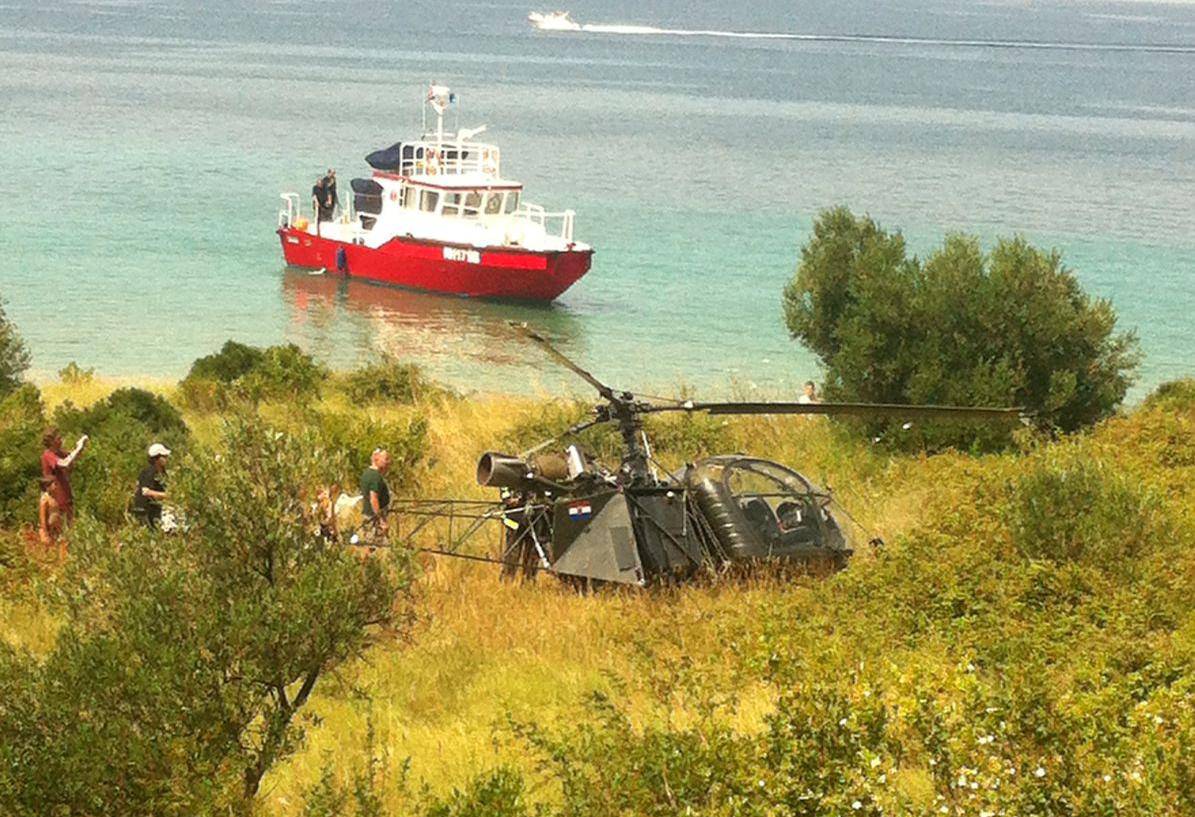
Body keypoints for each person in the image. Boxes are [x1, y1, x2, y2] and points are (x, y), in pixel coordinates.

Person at [41, 428, 87, 527]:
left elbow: (72, 457)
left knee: (69, 525)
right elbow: (64, 463)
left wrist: (80, 447)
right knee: (56, 525)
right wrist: (78, 448)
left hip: (65, 495)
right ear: (51, 441)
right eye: (58, 438)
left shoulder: (60, 453)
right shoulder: (48, 455)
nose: (61, 440)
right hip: (55, 498)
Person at [132, 443, 170, 528]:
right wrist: (166, 496)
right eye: (164, 456)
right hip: (146, 511)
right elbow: (145, 491)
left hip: (155, 510)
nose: (166, 458)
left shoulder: (162, 473)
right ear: (157, 458)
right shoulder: (149, 473)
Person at [359, 448, 391, 544]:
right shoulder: (375, 477)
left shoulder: (367, 473)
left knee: (372, 545)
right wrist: (381, 520)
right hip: (373, 517)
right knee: (373, 545)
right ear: (376, 459)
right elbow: (374, 499)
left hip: (368, 514)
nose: (388, 462)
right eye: (386, 459)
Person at [37, 477, 63, 553]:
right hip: (48, 529)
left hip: (55, 529)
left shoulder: (54, 498)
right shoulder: (45, 499)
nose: (56, 487)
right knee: (47, 549)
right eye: (54, 484)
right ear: (48, 487)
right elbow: (42, 517)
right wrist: (45, 532)